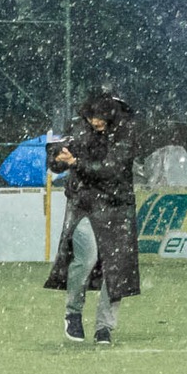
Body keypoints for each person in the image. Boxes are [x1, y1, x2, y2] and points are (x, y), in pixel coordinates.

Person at [46, 90, 139, 345]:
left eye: (99, 117)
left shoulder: (126, 131)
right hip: (83, 204)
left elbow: (112, 168)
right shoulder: (79, 127)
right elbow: (58, 155)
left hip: (117, 205)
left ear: (111, 115)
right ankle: (73, 313)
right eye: (90, 117)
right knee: (86, 258)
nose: (94, 122)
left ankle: (104, 327)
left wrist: (75, 162)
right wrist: (58, 157)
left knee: (115, 268)